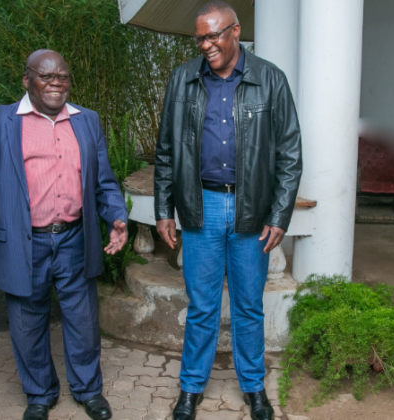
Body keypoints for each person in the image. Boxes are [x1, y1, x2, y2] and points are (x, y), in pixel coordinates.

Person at [0, 49, 127, 420]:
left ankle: (88, 390)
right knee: (26, 322)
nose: (55, 84)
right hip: (23, 241)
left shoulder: (88, 121)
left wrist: (116, 216)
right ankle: (39, 394)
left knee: (82, 321)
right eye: (46, 77)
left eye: (62, 77)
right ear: (26, 80)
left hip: (73, 238)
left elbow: (104, 182)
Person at [154, 2, 302, 420]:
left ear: (236, 31)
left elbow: (290, 154)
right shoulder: (182, 79)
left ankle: (254, 388)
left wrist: (278, 215)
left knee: (248, 305)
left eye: (214, 35)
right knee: (201, 305)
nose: (206, 44)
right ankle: (190, 388)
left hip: (251, 209)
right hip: (200, 205)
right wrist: (165, 209)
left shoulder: (270, 79)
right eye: (200, 37)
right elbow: (166, 150)